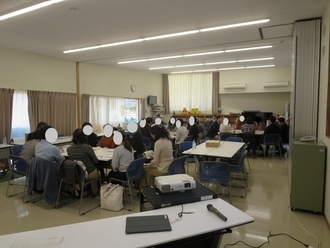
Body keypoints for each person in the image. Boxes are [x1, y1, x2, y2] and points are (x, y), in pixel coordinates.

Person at [67, 128, 100, 197]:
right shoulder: (88, 147)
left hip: (77, 173)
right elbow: (95, 161)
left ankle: (82, 189)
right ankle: (95, 191)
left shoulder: (69, 149)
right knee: (96, 170)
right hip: (89, 173)